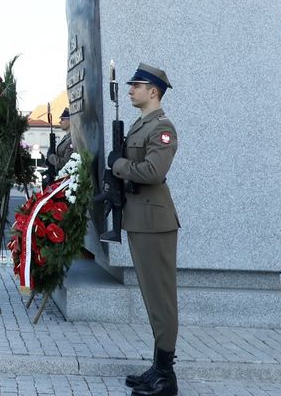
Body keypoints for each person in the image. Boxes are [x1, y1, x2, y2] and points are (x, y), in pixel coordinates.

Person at [106, 64, 180, 396]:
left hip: (155, 224)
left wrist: (118, 165)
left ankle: (166, 376)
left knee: (161, 299)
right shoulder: (139, 125)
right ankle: (157, 367)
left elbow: (153, 171)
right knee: (152, 297)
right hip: (141, 221)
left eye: (137, 85)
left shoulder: (162, 127)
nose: (131, 89)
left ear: (154, 91)